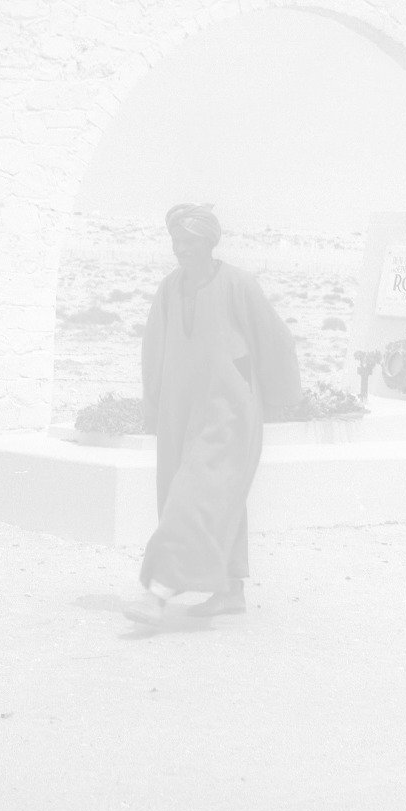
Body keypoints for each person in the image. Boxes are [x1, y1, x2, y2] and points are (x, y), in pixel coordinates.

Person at [123, 204, 302, 627]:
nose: (181, 249)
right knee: (212, 494)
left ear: (209, 242)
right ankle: (230, 591)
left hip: (228, 409)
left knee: (194, 495)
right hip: (179, 410)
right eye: (176, 241)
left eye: (189, 241)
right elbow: (154, 348)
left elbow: (275, 339)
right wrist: (153, 404)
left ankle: (159, 592)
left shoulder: (238, 284)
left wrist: (279, 398)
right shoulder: (169, 288)